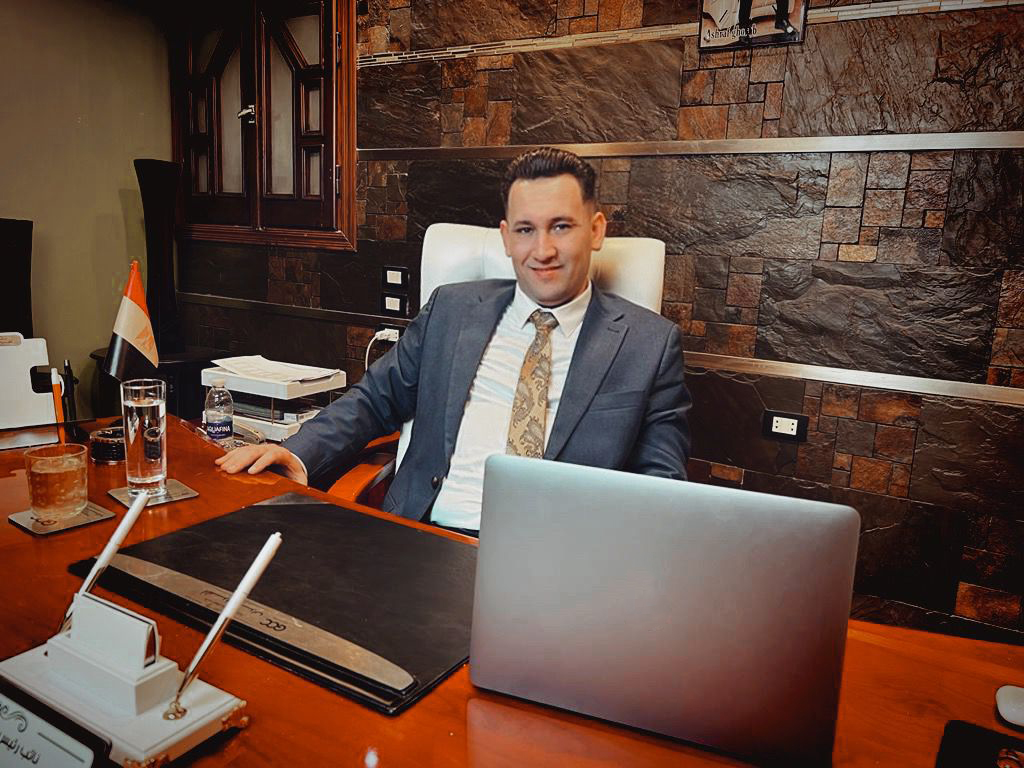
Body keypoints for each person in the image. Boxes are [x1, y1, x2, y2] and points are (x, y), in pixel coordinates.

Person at [217, 147, 691, 533]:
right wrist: (298, 451)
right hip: (426, 537)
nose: (542, 250)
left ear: (597, 230)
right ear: (506, 238)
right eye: (525, 230)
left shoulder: (649, 346)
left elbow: (661, 487)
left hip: (558, 566)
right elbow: (374, 399)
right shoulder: (452, 309)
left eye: (561, 227)